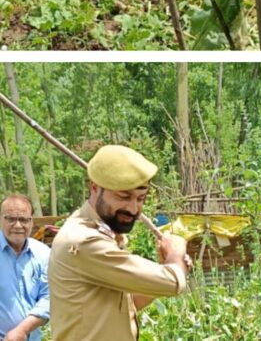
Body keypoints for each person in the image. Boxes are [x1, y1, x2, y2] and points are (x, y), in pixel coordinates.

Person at [48, 145, 192, 340]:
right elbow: (173, 284)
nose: (133, 209)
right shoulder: (84, 241)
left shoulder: (103, 232)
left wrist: (162, 272)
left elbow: (127, 306)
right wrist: (175, 258)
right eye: (123, 197)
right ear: (94, 188)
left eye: (141, 198)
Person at [0, 194, 50, 341]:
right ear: (0, 219)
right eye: (11, 219)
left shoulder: (44, 253)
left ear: (31, 221)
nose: (18, 225)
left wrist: (23, 330)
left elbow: (49, 297)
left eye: (23, 219)